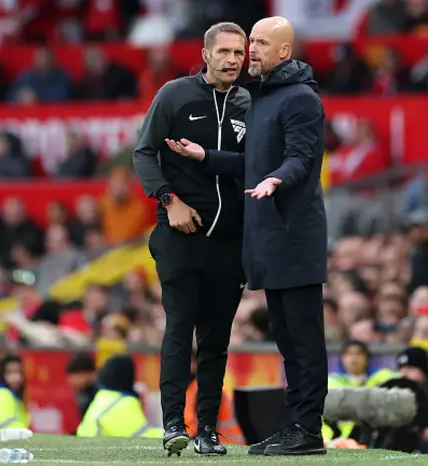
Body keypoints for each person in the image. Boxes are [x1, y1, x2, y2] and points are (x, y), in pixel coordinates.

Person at [166, 16, 328, 456]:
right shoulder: (264, 98)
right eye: (249, 41)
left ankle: (308, 429)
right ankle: (297, 424)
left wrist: (276, 179)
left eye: (259, 42)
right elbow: (249, 164)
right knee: (287, 341)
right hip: (270, 240)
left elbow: (299, 158)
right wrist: (207, 156)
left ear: (283, 52)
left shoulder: (300, 100)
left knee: (303, 338)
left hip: (294, 237)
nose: (250, 50)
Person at [133, 22, 250, 456]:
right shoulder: (175, 94)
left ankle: (207, 430)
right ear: (205, 54)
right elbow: (144, 152)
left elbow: (254, 163)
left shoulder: (248, 102)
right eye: (224, 52)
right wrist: (169, 200)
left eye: (239, 52)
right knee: (180, 327)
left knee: (217, 338)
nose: (232, 60)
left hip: (229, 240)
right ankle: (171, 425)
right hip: (181, 235)